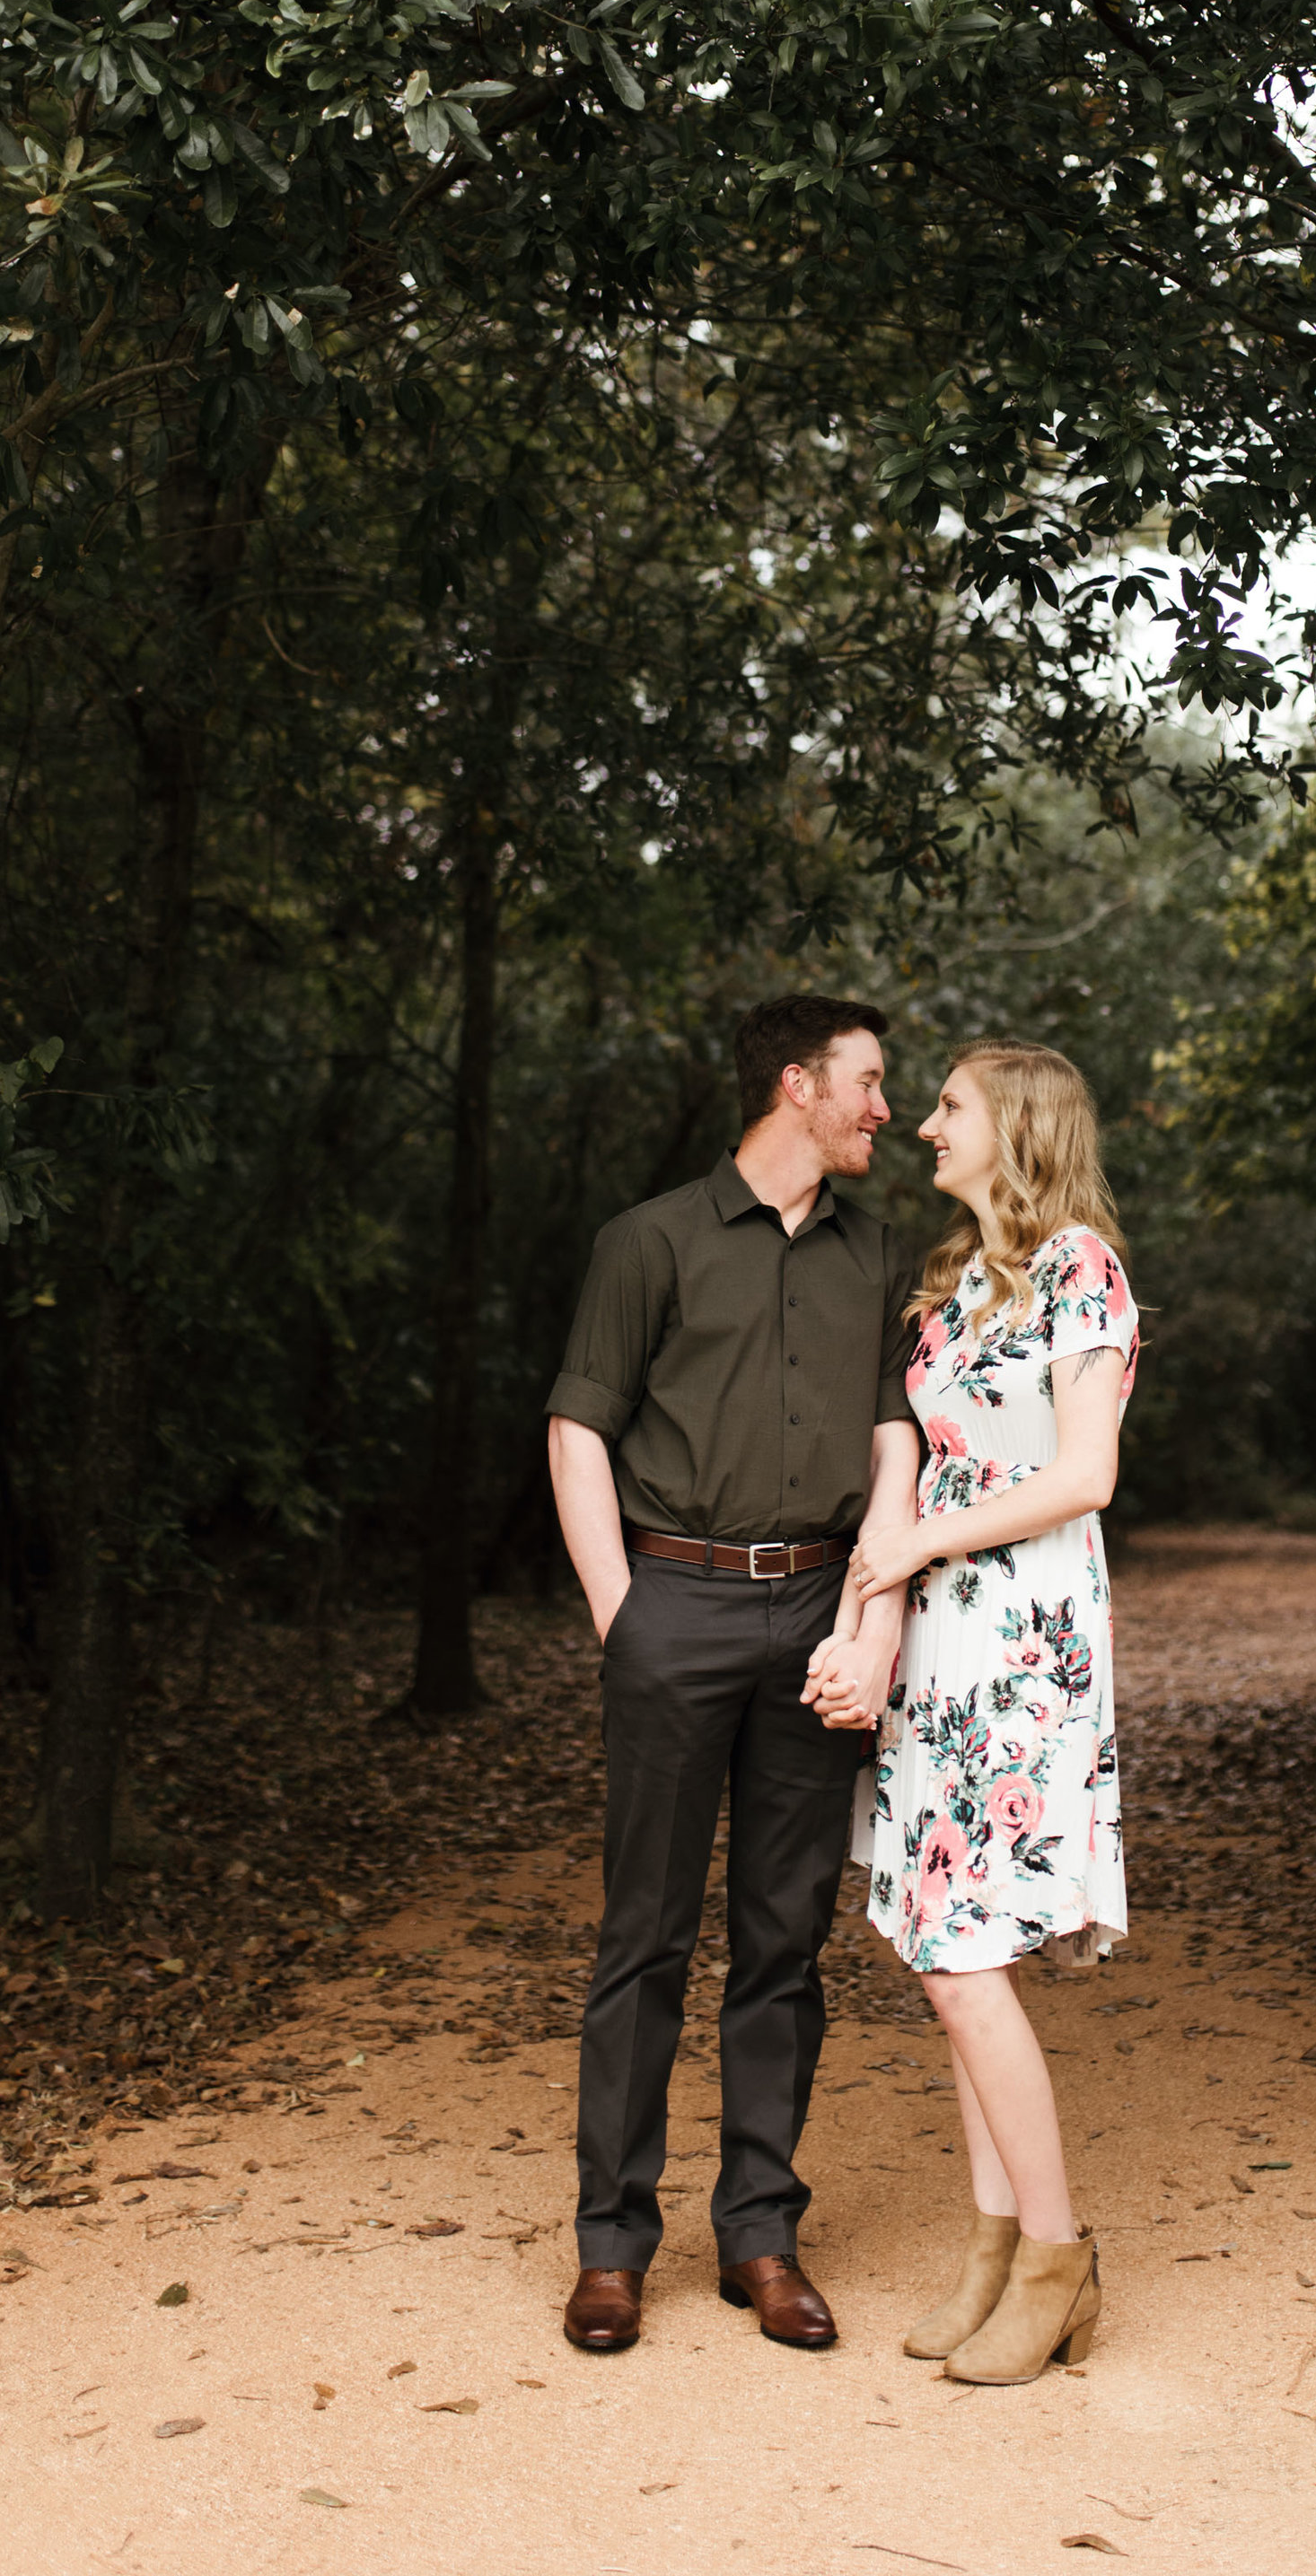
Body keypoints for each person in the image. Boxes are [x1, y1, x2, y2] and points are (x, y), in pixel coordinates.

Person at [545, 994, 921, 2354]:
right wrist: (623, 1616)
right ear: (797, 1083)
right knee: (642, 1934)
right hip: (674, 1601)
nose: (888, 1108)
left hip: (822, 1608)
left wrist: (872, 1615)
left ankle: (760, 2232)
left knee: (785, 1939)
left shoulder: (876, 1252)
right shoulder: (647, 1240)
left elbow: (897, 1445)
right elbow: (578, 1427)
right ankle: (612, 2246)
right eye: (870, 1083)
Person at [835, 1038, 1136, 2386]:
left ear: (1014, 1123)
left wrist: (921, 1548)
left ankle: (1061, 2258)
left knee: (963, 1962)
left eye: (947, 1106)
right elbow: (891, 1490)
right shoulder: (944, 1292)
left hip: (1028, 1646)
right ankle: (995, 2244)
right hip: (943, 1649)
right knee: (956, 1968)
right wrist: (869, 1619)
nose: (923, 1127)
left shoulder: (1083, 1268)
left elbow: (1087, 1472)